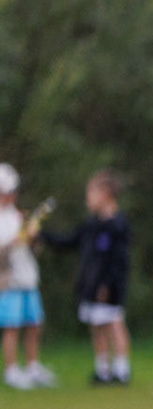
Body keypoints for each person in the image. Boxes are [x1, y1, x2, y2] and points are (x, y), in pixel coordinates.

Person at [38, 169, 131, 385]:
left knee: (114, 323)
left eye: (91, 192)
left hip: (109, 285)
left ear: (105, 193)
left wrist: (107, 284)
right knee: (96, 326)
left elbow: (118, 261)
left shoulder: (117, 225)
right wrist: (42, 236)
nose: (88, 198)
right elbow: (69, 241)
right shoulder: (91, 224)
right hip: (90, 284)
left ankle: (121, 369)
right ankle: (103, 370)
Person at [0, 164, 55, 389]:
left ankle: (32, 367)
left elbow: (33, 249)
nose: (10, 196)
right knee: (12, 327)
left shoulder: (17, 216)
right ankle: (12, 371)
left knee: (34, 324)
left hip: (28, 278)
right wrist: (12, 243)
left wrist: (32, 238)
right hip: (9, 282)